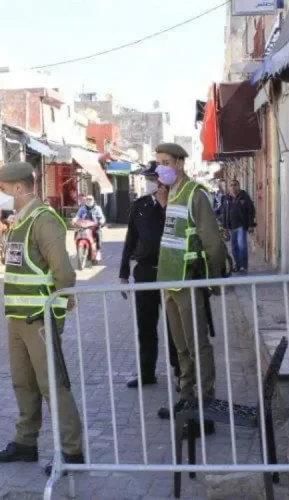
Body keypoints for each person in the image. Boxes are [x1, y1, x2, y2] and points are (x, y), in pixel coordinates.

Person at [0, 162, 84, 477]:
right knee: (23, 383)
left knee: (52, 385)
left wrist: (61, 304)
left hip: (40, 318)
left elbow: (64, 272)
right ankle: (26, 442)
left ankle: (72, 451)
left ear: (19, 188)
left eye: (2, 190)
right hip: (17, 317)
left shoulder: (44, 221)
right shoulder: (20, 221)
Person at [153, 143, 225, 438]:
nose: (161, 168)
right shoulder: (171, 194)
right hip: (169, 284)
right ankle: (186, 398)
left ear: (180, 163)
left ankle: (204, 406)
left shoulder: (195, 194)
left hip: (189, 282)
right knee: (181, 348)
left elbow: (213, 244)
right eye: (158, 162)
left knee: (198, 347)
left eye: (166, 162)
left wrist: (214, 282)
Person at [119, 161, 180, 389]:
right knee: (146, 325)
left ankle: (180, 373)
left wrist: (165, 206)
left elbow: (176, 232)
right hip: (145, 272)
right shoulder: (140, 205)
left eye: (152, 178)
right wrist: (124, 272)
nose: (149, 182)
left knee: (174, 326)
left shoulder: (175, 204)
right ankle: (147, 372)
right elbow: (130, 239)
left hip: (171, 271)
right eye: (147, 178)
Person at [223, 179, 256, 273]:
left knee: (242, 246)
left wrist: (250, 225)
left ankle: (243, 266)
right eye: (231, 185)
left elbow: (251, 210)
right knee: (234, 247)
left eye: (235, 185)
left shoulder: (244, 196)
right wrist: (224, 227)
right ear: (229, 187)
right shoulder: (227, 198)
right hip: (231, 227)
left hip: (241, 225)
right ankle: (237, 265)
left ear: (239, 186)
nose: (233, 187)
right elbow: (224, 213)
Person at [72, 194, 106, 263]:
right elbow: (78, 216)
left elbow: (102, 217)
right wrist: (74, 220)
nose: (89, 201)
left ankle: (98, 251)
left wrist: (101, 221)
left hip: (94, 227)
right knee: (76, 232)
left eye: (90, 199)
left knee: (98, 233)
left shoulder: (97, 208)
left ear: (93, 200)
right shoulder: (82, 208)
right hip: (83, 226)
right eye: (87, 199)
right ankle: (79, 249)